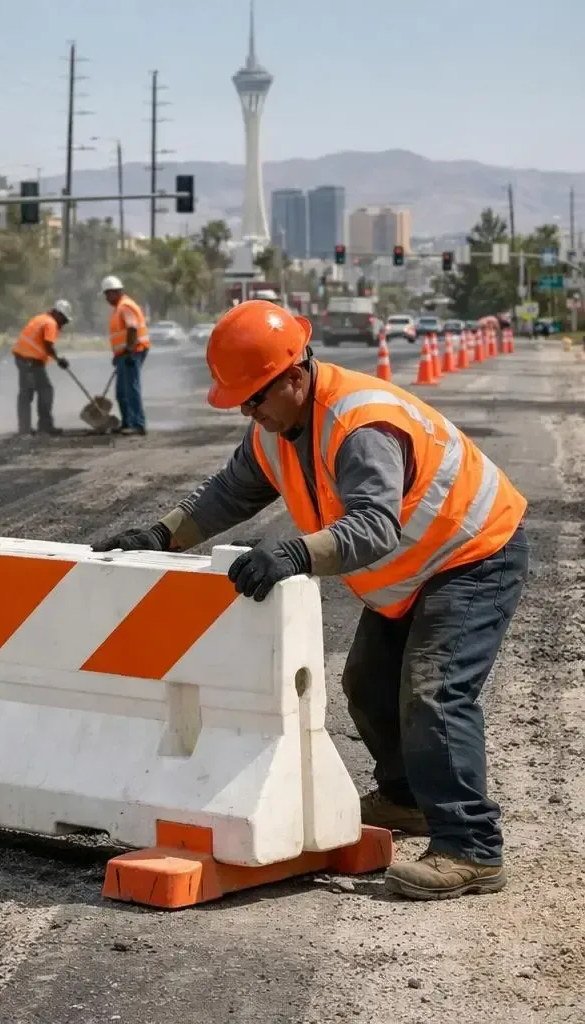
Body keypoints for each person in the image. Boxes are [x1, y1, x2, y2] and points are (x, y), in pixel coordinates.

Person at [91, 299, 529, 901]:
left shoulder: (358, 427)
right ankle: (408, 800)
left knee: (434, 691)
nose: (248, 411)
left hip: (473, 555)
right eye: (241, 401)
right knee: (368, 686)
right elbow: (230, 492)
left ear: (294, 375)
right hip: (414, 572)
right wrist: (161, 535)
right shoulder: (275, 428)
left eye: (256, 398)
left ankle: (471, 848)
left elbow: (375, 526)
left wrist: (294, 554)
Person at [11, 300, 72, 436]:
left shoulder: (41, 318)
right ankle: (30, 429)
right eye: (63, 319)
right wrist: (59, 360)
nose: (63, 323)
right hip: (29, 360)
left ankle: (36, 427)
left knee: (41, 391)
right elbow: (48, 345)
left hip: (26, 359)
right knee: (31, 393)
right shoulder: (50, 323)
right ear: (57, 313)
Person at [101, 275, 150, 435]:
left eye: (107, 294)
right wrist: (119, 354)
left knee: (131, 388)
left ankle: (137, 424)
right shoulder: (119, 308)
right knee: (121, 391)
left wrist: (129, 351)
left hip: (133, 352)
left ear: (114, 292)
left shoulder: (125, 306)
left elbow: (132, 328)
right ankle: (127, 422)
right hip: (125, 353)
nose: (106, 299)